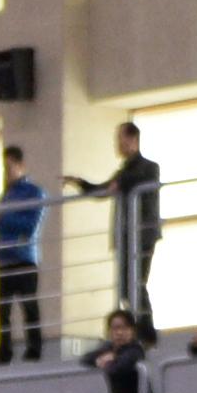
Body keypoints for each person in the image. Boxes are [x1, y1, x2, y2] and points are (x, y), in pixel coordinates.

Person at [70, 120, 162, 332]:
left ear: (132, 140)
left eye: (120, 139)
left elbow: (136, 182)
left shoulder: (149, 167)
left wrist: (121, 183)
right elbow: (103, 190)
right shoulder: (124, 171)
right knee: (125, 288)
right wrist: (80, 183)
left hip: (142, 234)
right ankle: (138, 329)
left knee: (136, 283)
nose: (117, 145)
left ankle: (146, 332)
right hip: (126, 235)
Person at [0, 145, 47, 362]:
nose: (6, 173)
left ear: (21, 166)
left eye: (9, 168)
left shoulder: (34, 192)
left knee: (28, 306)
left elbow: (30, 225)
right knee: (2, 310)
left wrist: (2, 217)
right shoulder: (6, 195)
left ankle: (34, 349)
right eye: (4, 169)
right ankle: (4, 351)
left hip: (23, 257)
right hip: (4, 259)